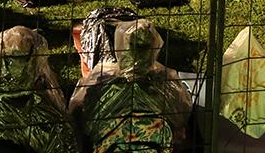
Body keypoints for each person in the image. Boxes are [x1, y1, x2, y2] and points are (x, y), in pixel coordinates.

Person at [69, 19, 192, 153]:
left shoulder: (102, 86)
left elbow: (83, 123)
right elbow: (181, 122)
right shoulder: (167, 84)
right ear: (154, 48)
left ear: (120, 47)